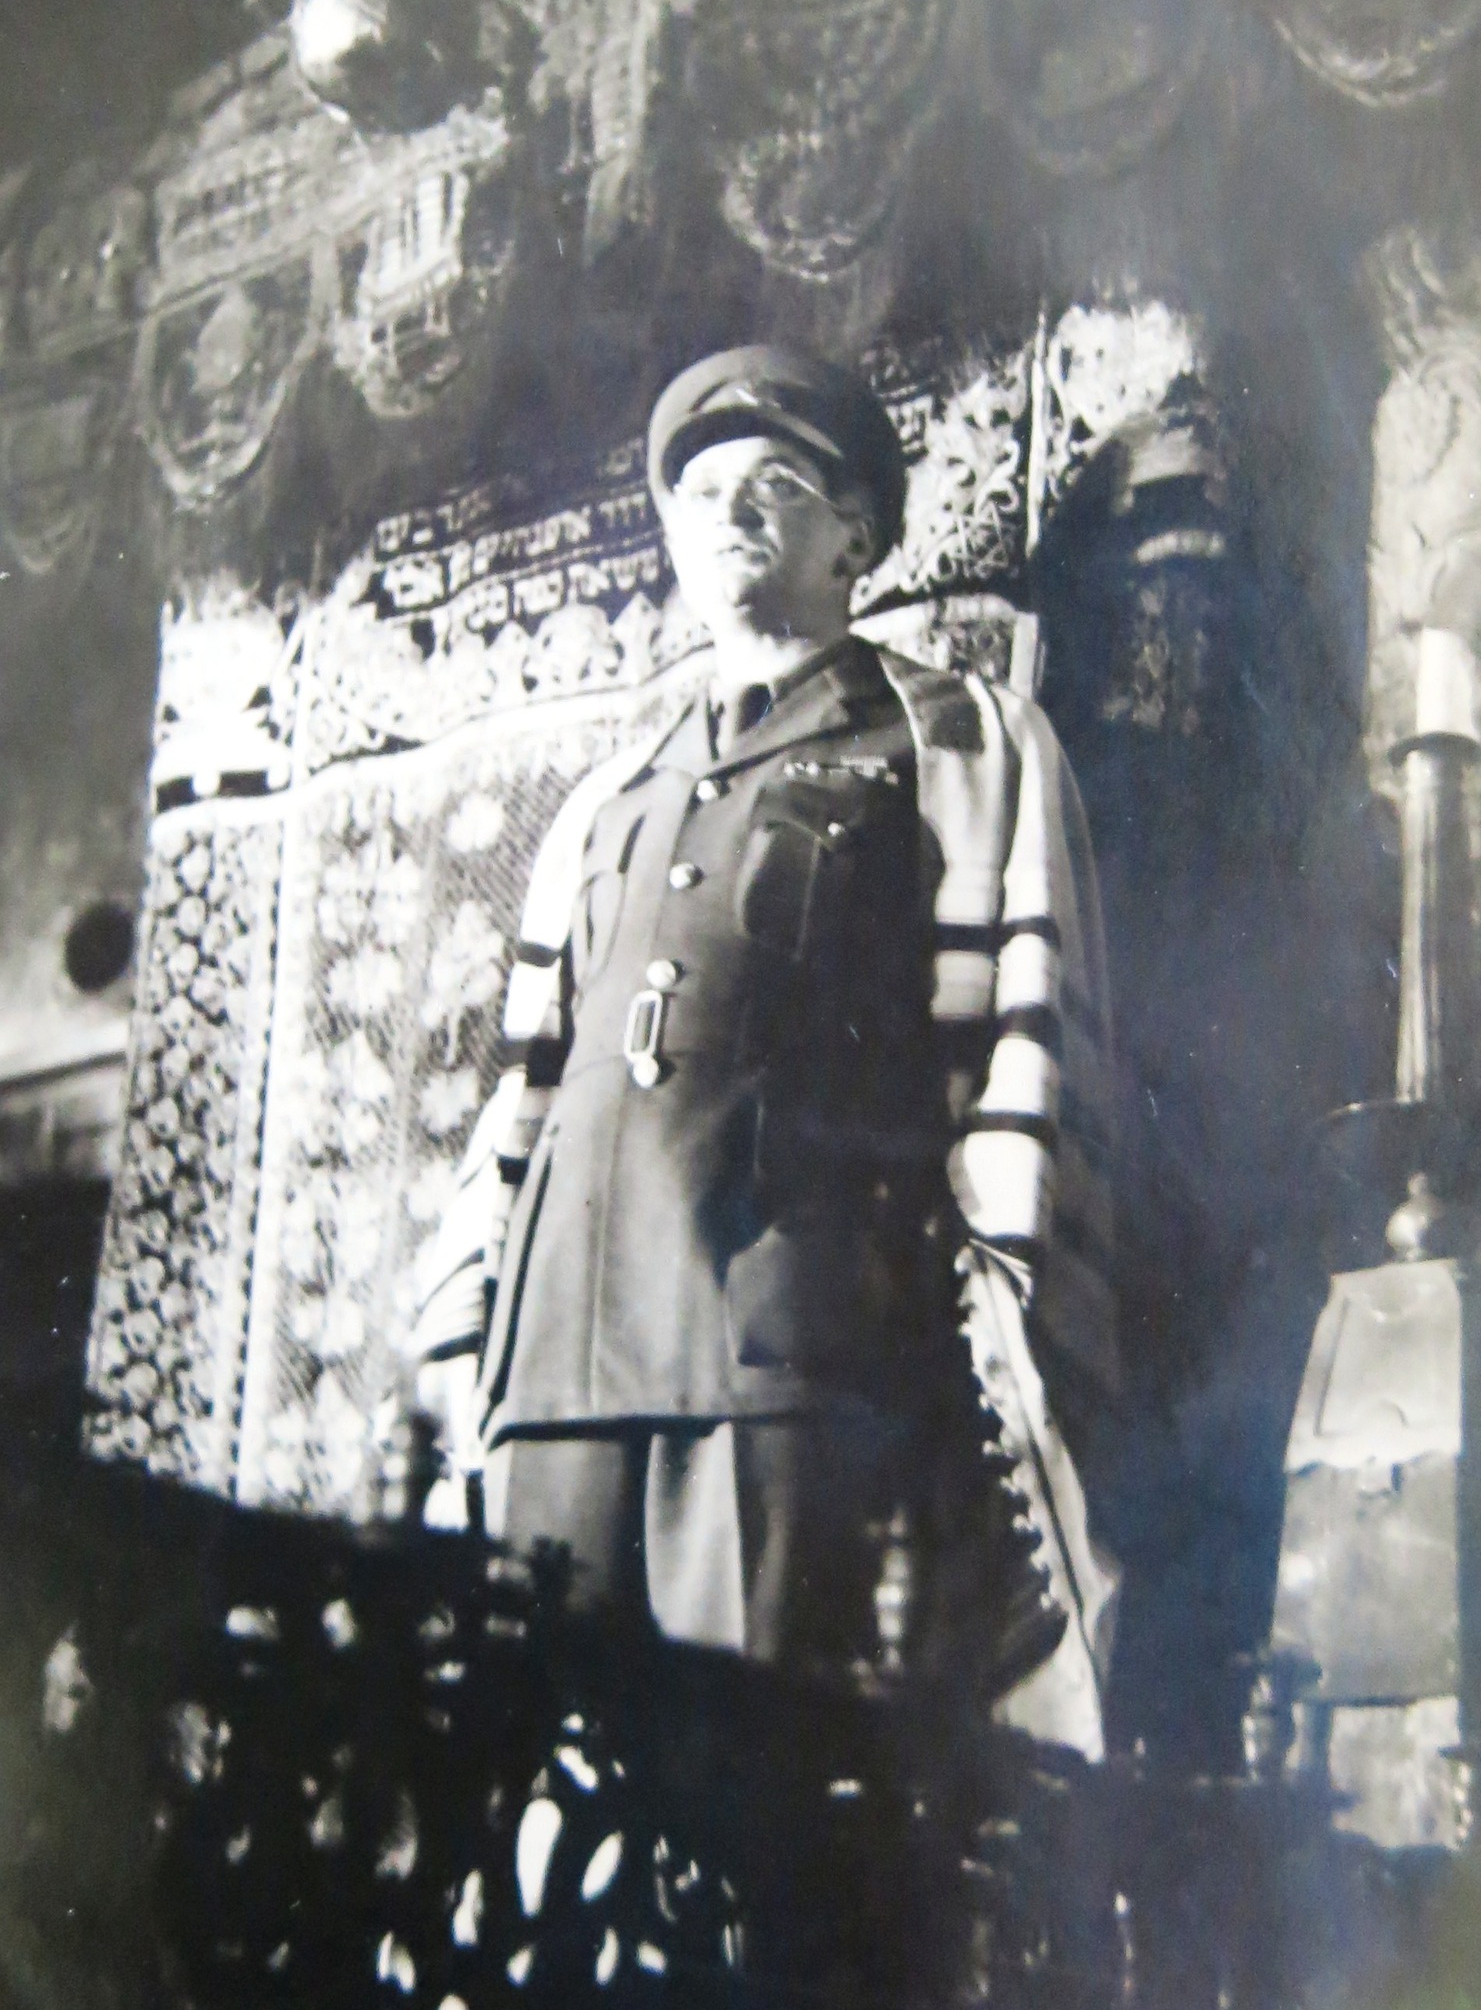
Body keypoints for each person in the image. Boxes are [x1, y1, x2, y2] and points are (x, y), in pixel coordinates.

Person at [411, 345, 1122, 1757]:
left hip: (787, 1353)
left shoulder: (961, 741)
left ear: (855, 536)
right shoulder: (611, 795)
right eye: (701, 493)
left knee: (751, 1790)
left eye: (777, 485)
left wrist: (995, 1301)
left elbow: (1023, 1042)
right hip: (557, 1363)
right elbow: (529, 1092)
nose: (730, 513)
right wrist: (470, 1322)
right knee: (535, 1783)